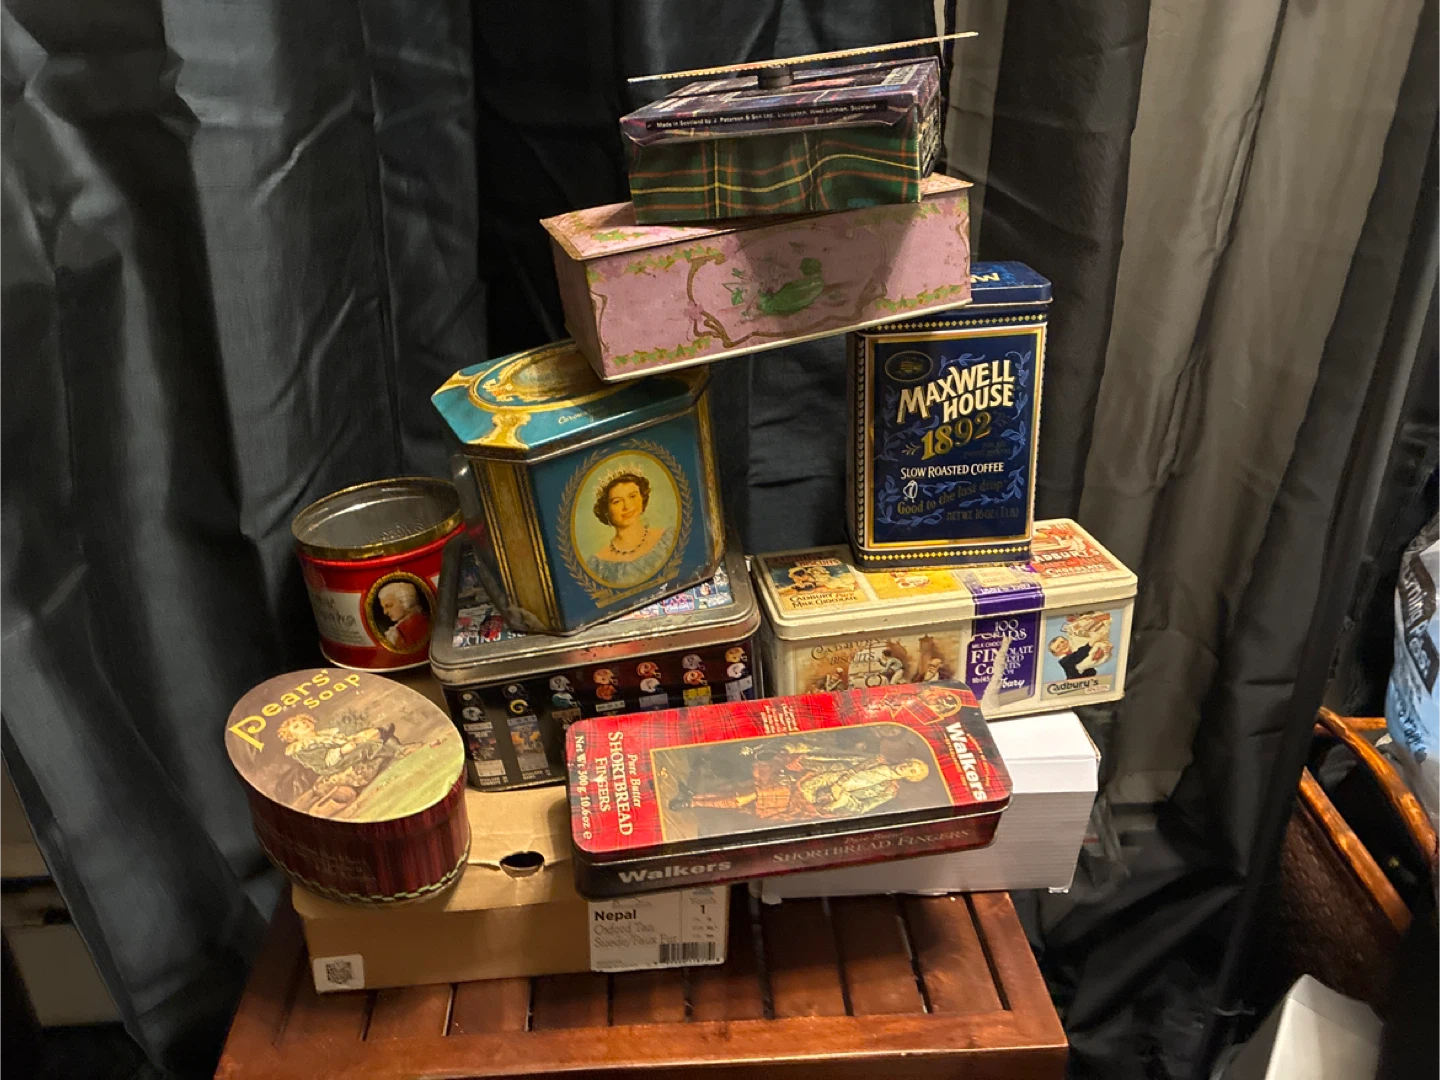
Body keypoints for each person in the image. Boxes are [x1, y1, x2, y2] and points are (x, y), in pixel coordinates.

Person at [585, 470, 675, 587]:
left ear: (642, 498)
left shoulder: (668, 539)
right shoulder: (597, 566)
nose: (627, 506)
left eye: (632, 496)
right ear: (606, 510)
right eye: (617, 501)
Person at [377, 581, 428, 651]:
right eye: (383, 608)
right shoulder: (400, 630)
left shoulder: (418, 626)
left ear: (405, 601)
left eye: (389, 605)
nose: (385, 612)